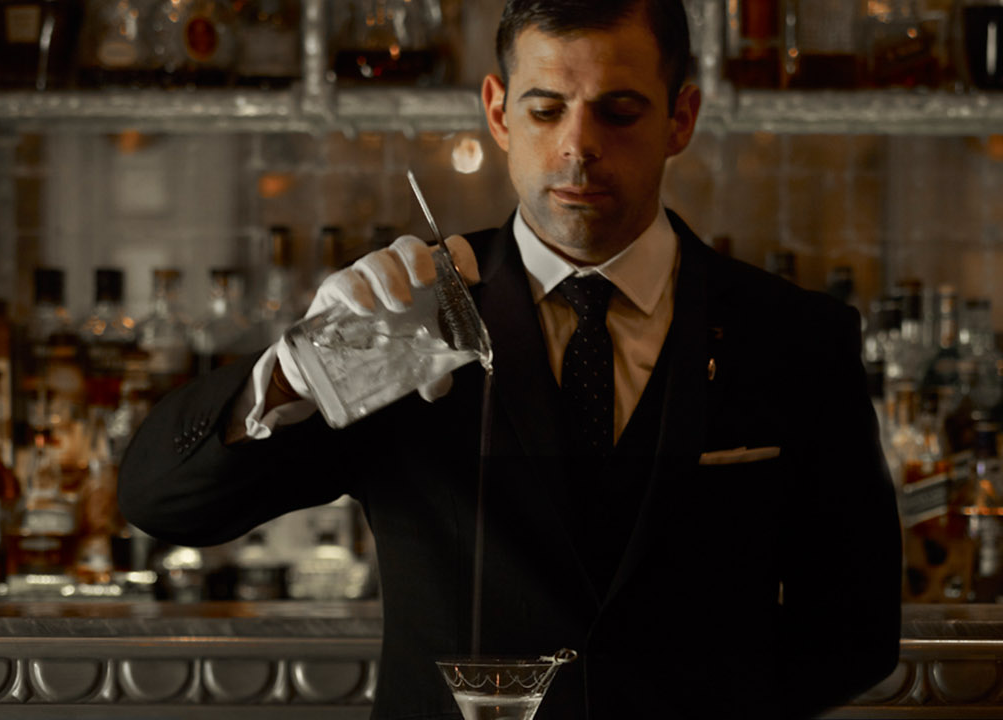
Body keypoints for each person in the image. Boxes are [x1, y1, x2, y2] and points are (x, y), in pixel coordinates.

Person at [119, 0, 899, 717]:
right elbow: (164, 501)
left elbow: (857, 628)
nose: (579, 147)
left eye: (619, 111)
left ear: (681, 118)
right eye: (545, 109)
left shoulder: (797, 336)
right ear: (498, 111)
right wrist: (299, 366)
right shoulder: (403, 323)